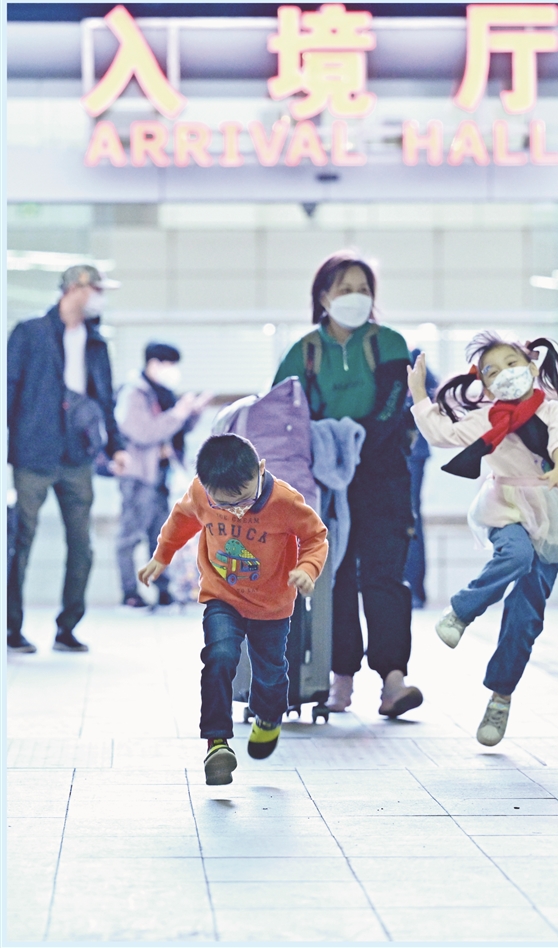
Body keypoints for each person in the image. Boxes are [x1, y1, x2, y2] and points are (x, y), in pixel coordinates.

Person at [408, 331, 558, 746]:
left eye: (511, 364)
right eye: (492, 371)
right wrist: (418, 394)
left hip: (552, 511)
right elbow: (441, 433)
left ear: (530, 366)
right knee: (516, 554)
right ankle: (461, 611)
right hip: (505, 504)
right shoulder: (487, 418)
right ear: (485, 386)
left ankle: (500, 696)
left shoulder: (552, 408)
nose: (504, 374)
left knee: (527, 616)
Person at [273, 250, 423, 718]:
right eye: (345, 289)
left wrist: (354, 445)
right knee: (333, 577)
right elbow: (282, 415)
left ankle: (393, 680)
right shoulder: (303, 351)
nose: (356, 297)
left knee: (384, 576)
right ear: (323, 297)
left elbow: (392, 405)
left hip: (383, 475)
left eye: (363, 289)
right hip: (326, 483)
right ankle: (339, 676)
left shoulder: (389, 343)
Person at [137, 433, 328, 785]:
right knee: (219, 656)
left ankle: (269, 716)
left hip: (271, 603)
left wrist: (307, 568)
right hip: (221, 594)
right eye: (225, 505)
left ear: (260, 469)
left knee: (270, 671)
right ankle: (217, 742)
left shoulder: (284, 501)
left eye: (244, 500)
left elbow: (315, 536)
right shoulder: (200, 493)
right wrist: (162, 555)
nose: (237, 511)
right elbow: (182, 519)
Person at [7, 265, 129, 654]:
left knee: (82, 546)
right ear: (75, 289)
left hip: (77, 457)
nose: (100, 298)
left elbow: (105, 399)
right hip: (32, 454)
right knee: (19, 541)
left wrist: (116, 447)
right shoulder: (30, 333)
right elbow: (9, 389)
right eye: (97, 290)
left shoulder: (96, 343)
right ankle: (11, 628)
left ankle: (67, 628)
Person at [115, 342, 210, 608]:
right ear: (153, 364)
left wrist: (191, 413)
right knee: (131, 535)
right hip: (138, 475)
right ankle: (129, 592)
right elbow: (144, 432)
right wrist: (178, 414)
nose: (173, 371)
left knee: (160, 534)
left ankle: (163, 588)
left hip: (160, 476)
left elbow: (172, 430)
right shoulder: (134, 393)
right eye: (170, 365)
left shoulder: (161, 394)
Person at [404, 349, 439, 609]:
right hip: (411, 453)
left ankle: (414, 589)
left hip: (412, 453)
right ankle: (414, 590)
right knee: (410, 519)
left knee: (410, 518)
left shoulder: (411, 363)